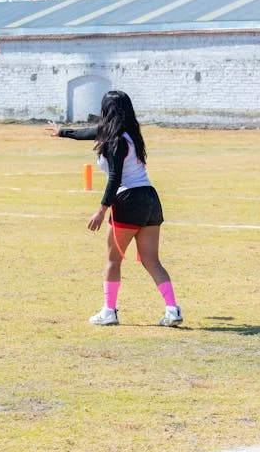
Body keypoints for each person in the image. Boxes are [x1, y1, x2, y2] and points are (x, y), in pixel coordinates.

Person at [50, 91, 182, 327]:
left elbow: (114, 178)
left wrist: (101, 210)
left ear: (107, 111)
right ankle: (173, 310)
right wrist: (63, 132)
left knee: (113, 260)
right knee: (152, 261)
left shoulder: (114, 141)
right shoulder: (129, 135)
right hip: (150, 199)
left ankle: (108, 311)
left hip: (128, 199)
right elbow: (87, 133)